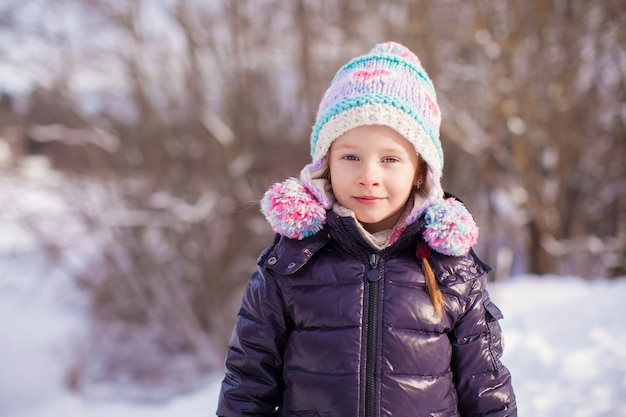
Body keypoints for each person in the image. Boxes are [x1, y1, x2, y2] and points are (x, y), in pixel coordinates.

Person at [217, 41, 517, 417]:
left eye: (390, 159)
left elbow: (487, 390)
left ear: (421, 171)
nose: (368, 176)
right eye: (350, 157)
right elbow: (246, 386)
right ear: (326, 163)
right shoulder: (290, 263)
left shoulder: (453, 269)